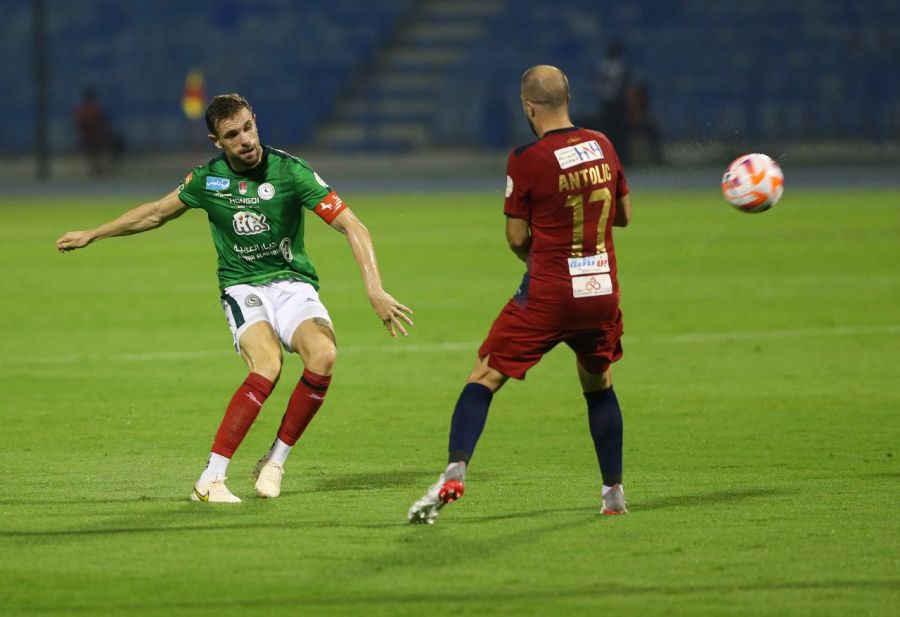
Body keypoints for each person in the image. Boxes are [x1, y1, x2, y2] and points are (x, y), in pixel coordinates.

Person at [57, 93, 414, 503]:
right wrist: (94, 234)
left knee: (325, 356)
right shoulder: (208, 180)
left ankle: (274, 461)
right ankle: (211, 479)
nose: (245, 139)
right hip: (243, 287)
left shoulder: (290, 171)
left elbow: (353, 226)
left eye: (248, 127)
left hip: (293, 284)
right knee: (268, 365)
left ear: (255, 121)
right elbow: (155, 212)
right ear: (217, 141)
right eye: (232, 134)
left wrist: (374, 288)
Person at [407, 66, 632, 524]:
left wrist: (544, 260)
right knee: (598, 383)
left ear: (528, 107)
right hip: (601, 290)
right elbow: (623, 215)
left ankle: (454, 471)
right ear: (569, 96)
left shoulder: (526, 157)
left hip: (549, 293)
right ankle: (613, 494)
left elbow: (515, 237)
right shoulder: (603, 145)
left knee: (484, 376)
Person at [594, 41, 631, 165]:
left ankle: (608, 156)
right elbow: (624, 84)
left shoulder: (604, 65)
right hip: (617, 103)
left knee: (608, 132)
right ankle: (620, 157)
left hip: (608, 102)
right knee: (618, 132)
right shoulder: (621, 66)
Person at [73, 88, 123, 176]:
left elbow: (104, 122)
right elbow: (100, 123)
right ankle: (100, 169)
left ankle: (105, 168)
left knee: (117, 143)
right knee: (99, 149)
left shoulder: (92, 108)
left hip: (97, 137)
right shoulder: (87, 110)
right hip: (91, 138)